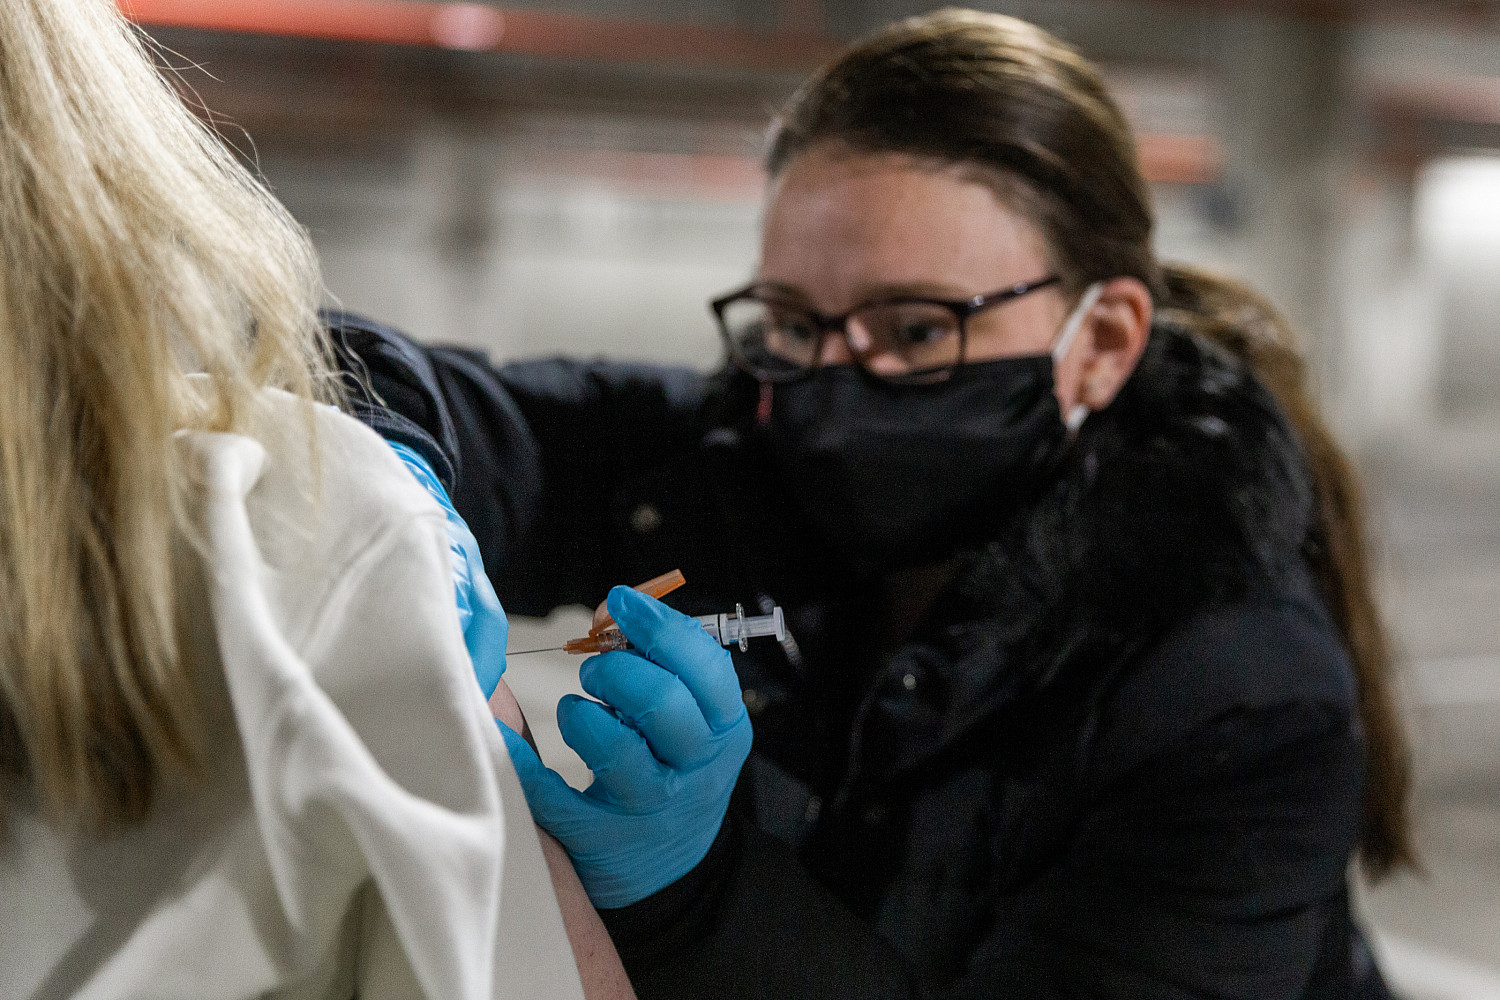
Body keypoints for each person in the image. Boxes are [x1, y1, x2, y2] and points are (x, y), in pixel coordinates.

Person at [334, 9, 1413, 998]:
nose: (838, 388)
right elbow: (385, 384)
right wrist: (401, 482)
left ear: (1102, 345)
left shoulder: (1240, 700)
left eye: (915, 331)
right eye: (796, 324)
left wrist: (692, 895)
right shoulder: (742, 459)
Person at [0, 1, 634, 997]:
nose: (826, 372)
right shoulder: (283, 537)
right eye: (790, 328)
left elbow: (627, 428)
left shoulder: (304, 532)